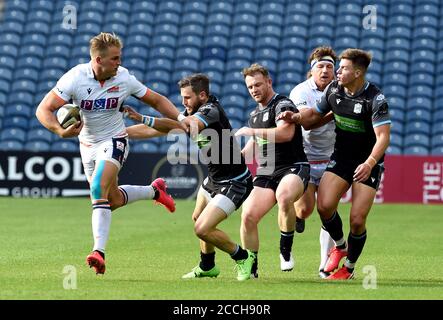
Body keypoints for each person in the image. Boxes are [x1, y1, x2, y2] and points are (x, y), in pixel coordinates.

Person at [35, 32, 185, 275]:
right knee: (111, 199)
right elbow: (44, 109)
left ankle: (98, 252)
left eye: (119, 58)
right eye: (114, 59)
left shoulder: (124, 77)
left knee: (97, 190)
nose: (119, 63)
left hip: (115, 140)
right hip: (87, 145)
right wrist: (58, 131)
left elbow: (155, 100)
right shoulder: (75, 78)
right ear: (98, 60)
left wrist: (179, 117)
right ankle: (154, 191)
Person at [125, 73, 256, 281]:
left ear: (202, 95)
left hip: (235, 181)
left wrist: (142, 117)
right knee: (198, 218)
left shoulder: (210, 111)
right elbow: (158, 130)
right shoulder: (193, 112)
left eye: (187, 98)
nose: (183, 102)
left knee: (202, 228)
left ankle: (243, 257)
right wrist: (122, 133)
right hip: (214, 179)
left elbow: (183, 126)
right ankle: (207, 266)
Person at [278, 48, 391, 280]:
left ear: (358, 72)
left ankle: (348, 268)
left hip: (368, 161)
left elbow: (383, 138)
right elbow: (314, 116)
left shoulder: (375, 99)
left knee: (357, 219)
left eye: (343, 68)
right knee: (324, 206)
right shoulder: (334, 89)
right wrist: (295, 118)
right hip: (342, 157)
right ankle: (340, 246)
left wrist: (370, 163)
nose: (337, 71)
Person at [235, 63, 310, 278]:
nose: (254, 90)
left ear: (269, 82)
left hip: (294, 166)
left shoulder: (282, 104)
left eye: (258, 84)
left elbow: (285, 134)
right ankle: (251, 267)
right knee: (248, 215)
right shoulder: (254, 114)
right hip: (267, 171)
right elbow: (252, 149)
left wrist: (252, 130)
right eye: (250, 87)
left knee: (284, 195)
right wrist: (232, 159)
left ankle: (285, 252)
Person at [289, 46, 337, 278]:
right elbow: (307, 122)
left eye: (330, 66)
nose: (325, 70)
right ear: (312, 71)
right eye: (321, 66)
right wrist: (334, 112)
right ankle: (299, 217)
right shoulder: (300, 92)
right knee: (306, 209)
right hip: (305, 158)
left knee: (327, 210)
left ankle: (324, 265)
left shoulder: (342, 91)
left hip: (332, 160)